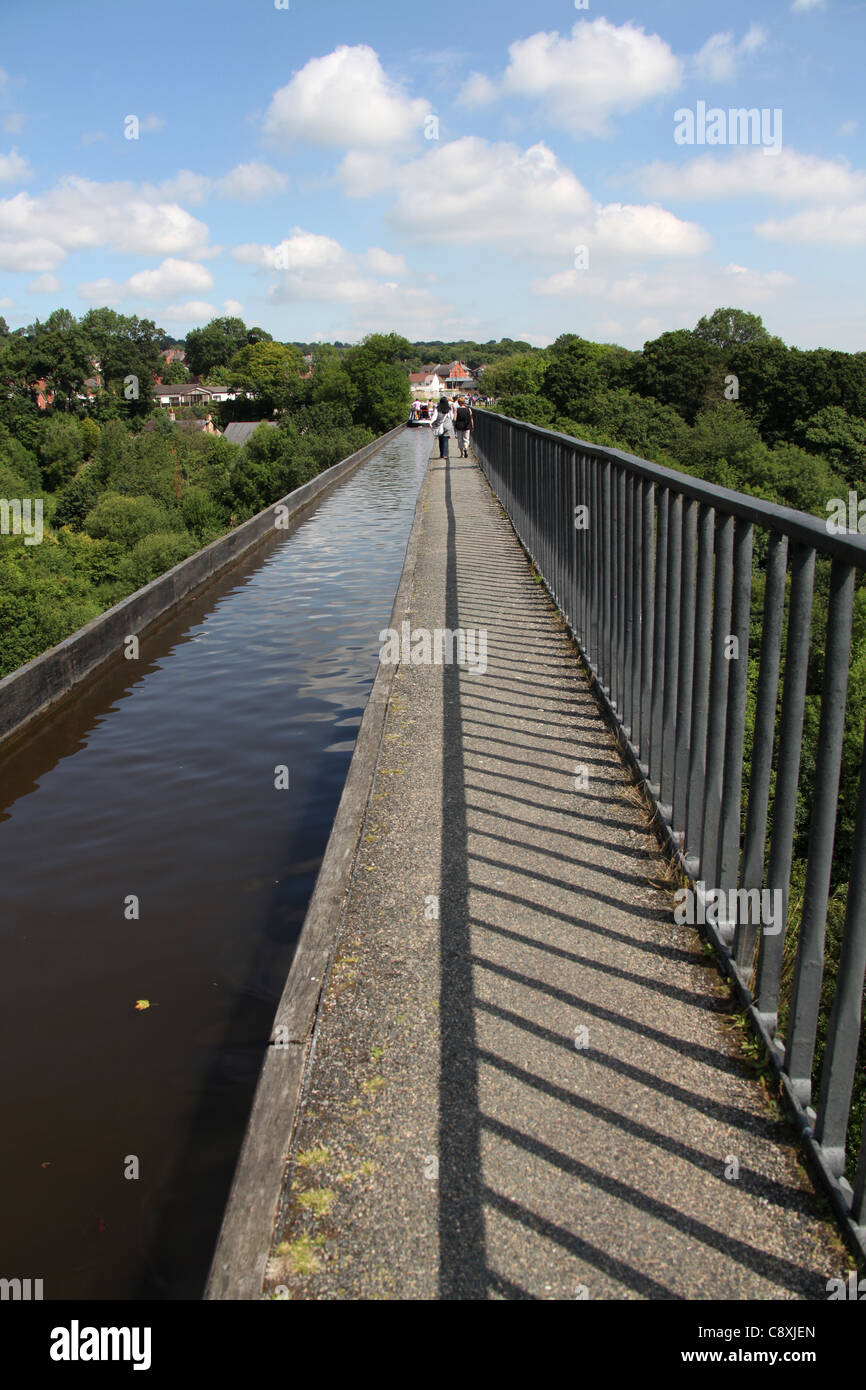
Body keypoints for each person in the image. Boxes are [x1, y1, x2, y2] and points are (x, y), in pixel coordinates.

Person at [432, 395, 454, 460]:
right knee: (446, 440)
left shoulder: (437, 409)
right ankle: (445, 454)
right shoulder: (449, 409)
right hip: (447, 425)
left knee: (440, 440)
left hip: (439, 425)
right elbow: (451, 417)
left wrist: (431, 422)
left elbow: (434, 417)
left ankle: (441, 454)